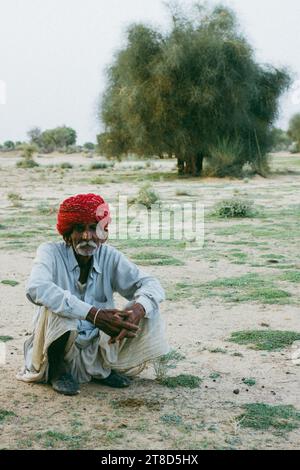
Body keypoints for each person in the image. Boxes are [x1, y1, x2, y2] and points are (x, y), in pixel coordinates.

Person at [17, 193, 169, 395]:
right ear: (67, 235)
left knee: (147, 306)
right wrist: (93, 314)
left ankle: (102, 369)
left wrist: (137, 310)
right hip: (58, 346)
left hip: (97, 346)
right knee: (57, 305)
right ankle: (57, 371)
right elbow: (36, 287)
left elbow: (151, 284)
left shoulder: (109, 256)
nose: (87, 236)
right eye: (80, 229)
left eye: (94, 228)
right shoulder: (50, 252)